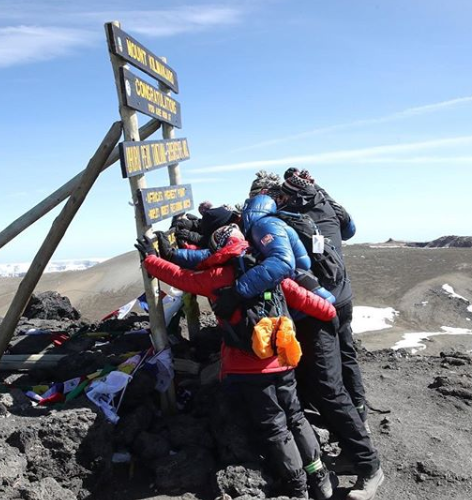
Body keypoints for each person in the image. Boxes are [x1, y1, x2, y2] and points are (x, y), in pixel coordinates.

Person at [135, 224, 337, 500]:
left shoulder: (218, 277)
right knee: (296, 416)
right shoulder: (268, 271)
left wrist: (150, 259)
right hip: (283, 359)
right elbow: (303, 298)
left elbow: (181, 278)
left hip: (250, 369)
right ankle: (320, 477)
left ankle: (298, 487)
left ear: (220, 249)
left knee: (275, 426)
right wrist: (330, 312)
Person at [278, 168, 384, 500]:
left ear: (291, 196)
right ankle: (357, 432)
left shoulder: (289, 219)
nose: (278, 199)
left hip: (320, 308)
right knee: (345, 362)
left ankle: (369, 466)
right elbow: (350, 230)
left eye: (281, 194)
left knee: (327, 386)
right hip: (344, 298)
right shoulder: (326, 203)